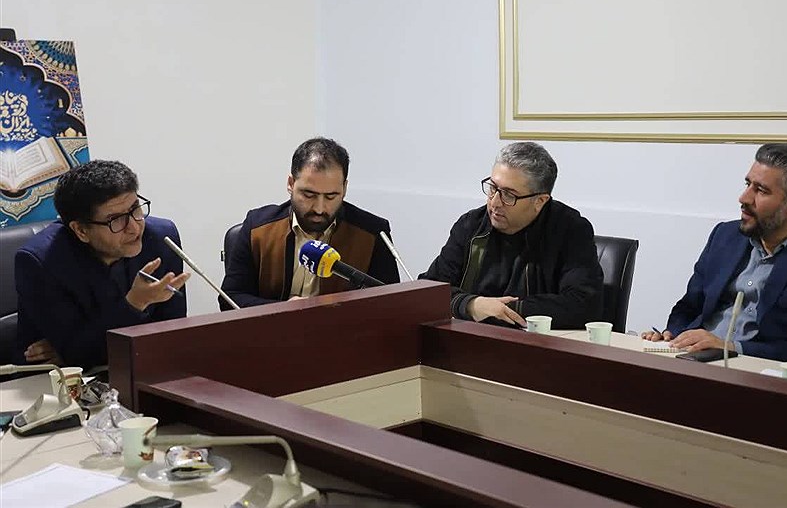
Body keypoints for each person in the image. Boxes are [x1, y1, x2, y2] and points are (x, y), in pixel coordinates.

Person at [643, 143, 787, 369]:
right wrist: (674, 335)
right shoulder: (725, 236)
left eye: (761, 190)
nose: (744, 198)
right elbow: (687, 308)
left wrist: (732, 348)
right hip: (694, 363)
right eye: (747, 184)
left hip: (761, 375)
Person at [16, 160, 189, 370]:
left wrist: (82, 350)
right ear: (81, 230)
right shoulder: (40, 261)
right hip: (56, 379)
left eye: (135, 209)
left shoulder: (161, 237)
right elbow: (76, 352)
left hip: (142, 366)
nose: (134, 228)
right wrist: (135, 304)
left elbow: (172, 332)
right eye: (115, 220)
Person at [421, 142, 603, 329]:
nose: (495, 202)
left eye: (508, 195)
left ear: (540, 201)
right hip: (472, 337)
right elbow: (428, 290)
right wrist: (472, 305)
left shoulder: (571, 230)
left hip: (538, 341)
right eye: (493, 188)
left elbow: (583, 304)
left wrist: (502, 310)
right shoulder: (471, 225)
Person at [221, 137, 400, 308]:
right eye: (309, 195)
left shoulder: (373, 234)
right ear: (291, 183)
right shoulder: (257, 228)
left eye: (331, 196)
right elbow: (230, 298)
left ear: (344, 188)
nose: (319, 209)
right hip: (273, 328)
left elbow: (390, 305)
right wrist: (283, 309)